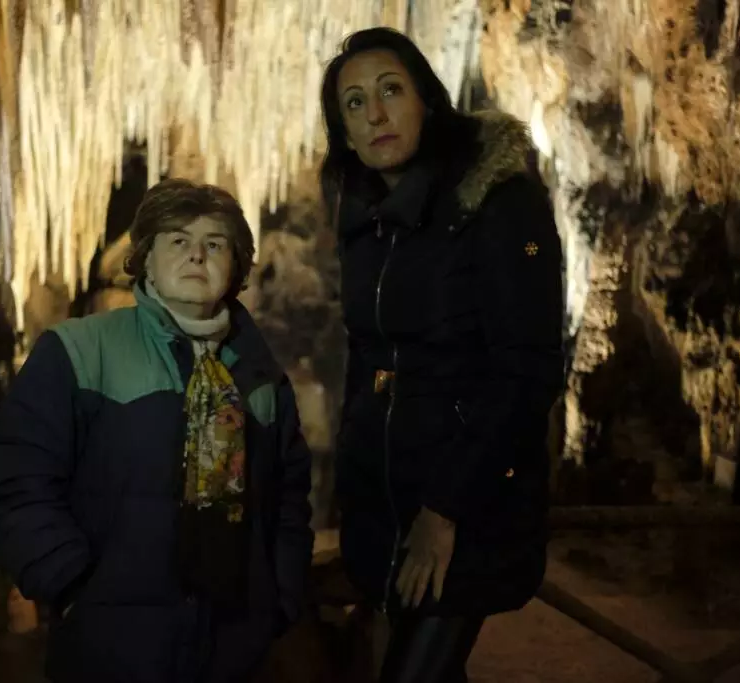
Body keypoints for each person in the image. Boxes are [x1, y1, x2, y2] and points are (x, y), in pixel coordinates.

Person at [0, 179, 315, 682]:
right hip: (110, 651)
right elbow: (17, 481)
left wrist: (278, 600)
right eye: (178, 240)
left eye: (215, 244)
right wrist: (72, 588)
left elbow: (287, 500)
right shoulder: (78, 352)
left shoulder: (260, 376)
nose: (197, 255)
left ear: (236, 266)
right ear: (146, 260)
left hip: (233, 653)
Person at [321, 27, 565, 682]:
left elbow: (526, 367)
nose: (375, 114)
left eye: (391, 90)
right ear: (344, 134)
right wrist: (351, 480)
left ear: (427, 101)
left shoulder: (496, 205)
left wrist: (445, 510)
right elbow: (368, 363)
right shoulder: (366, 224)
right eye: (354, 103)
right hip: (384, 502)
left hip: (464, 505)